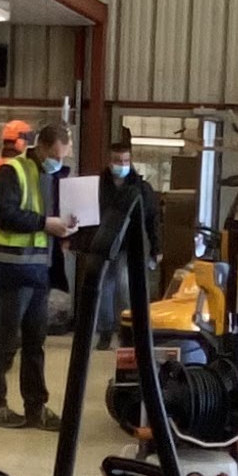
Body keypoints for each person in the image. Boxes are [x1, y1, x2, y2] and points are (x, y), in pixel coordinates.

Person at [0, 120, 71, 429]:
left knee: (35, 342)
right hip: (12, 269)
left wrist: (64, 229)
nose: (58, 162)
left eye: (63, 157)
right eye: (55, 155)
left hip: (37, 270)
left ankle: (36, 407)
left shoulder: (49, 175)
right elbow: (1, 214)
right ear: (41, 147)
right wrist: (45, 224)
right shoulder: (12, 170)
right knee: (7, 340)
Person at [91, 128, 163, 346]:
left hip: (129, 245)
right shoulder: (97, 187)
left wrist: (157, 247)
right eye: (117, 160)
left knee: (125, 287)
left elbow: (152, 218)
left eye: (125, 161)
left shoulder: (141, 188)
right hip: (103, 243)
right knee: (103, 288)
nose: (121, 165)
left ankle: (127, 331)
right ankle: (105, 332)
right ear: (108, 161)